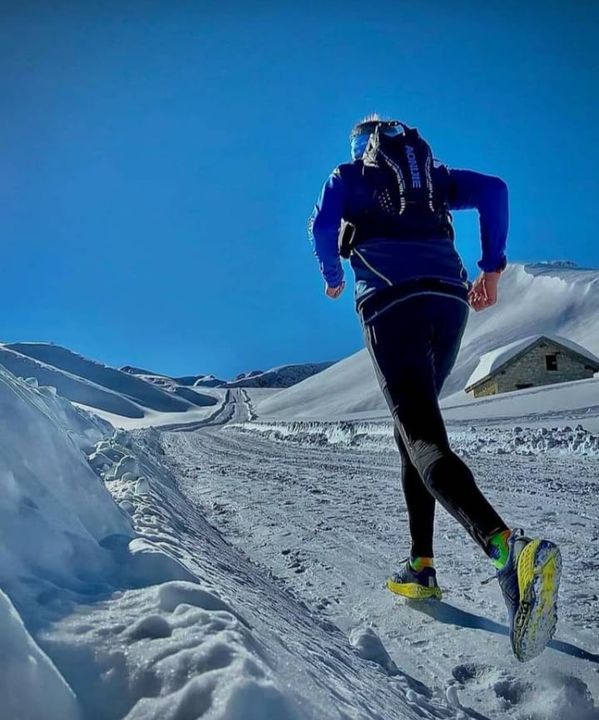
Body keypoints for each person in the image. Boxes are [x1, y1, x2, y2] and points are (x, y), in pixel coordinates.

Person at [308, 114, 561, 662]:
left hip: (391, 302)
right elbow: (494, 190)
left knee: (422, 436)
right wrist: (491, 269)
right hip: (449, 303)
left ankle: (508, 548)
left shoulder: (349, 176)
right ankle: (421, 566)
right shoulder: (435, 178)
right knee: (415, 431)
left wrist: (331, 275)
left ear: (362, 145)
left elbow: (322, 228)